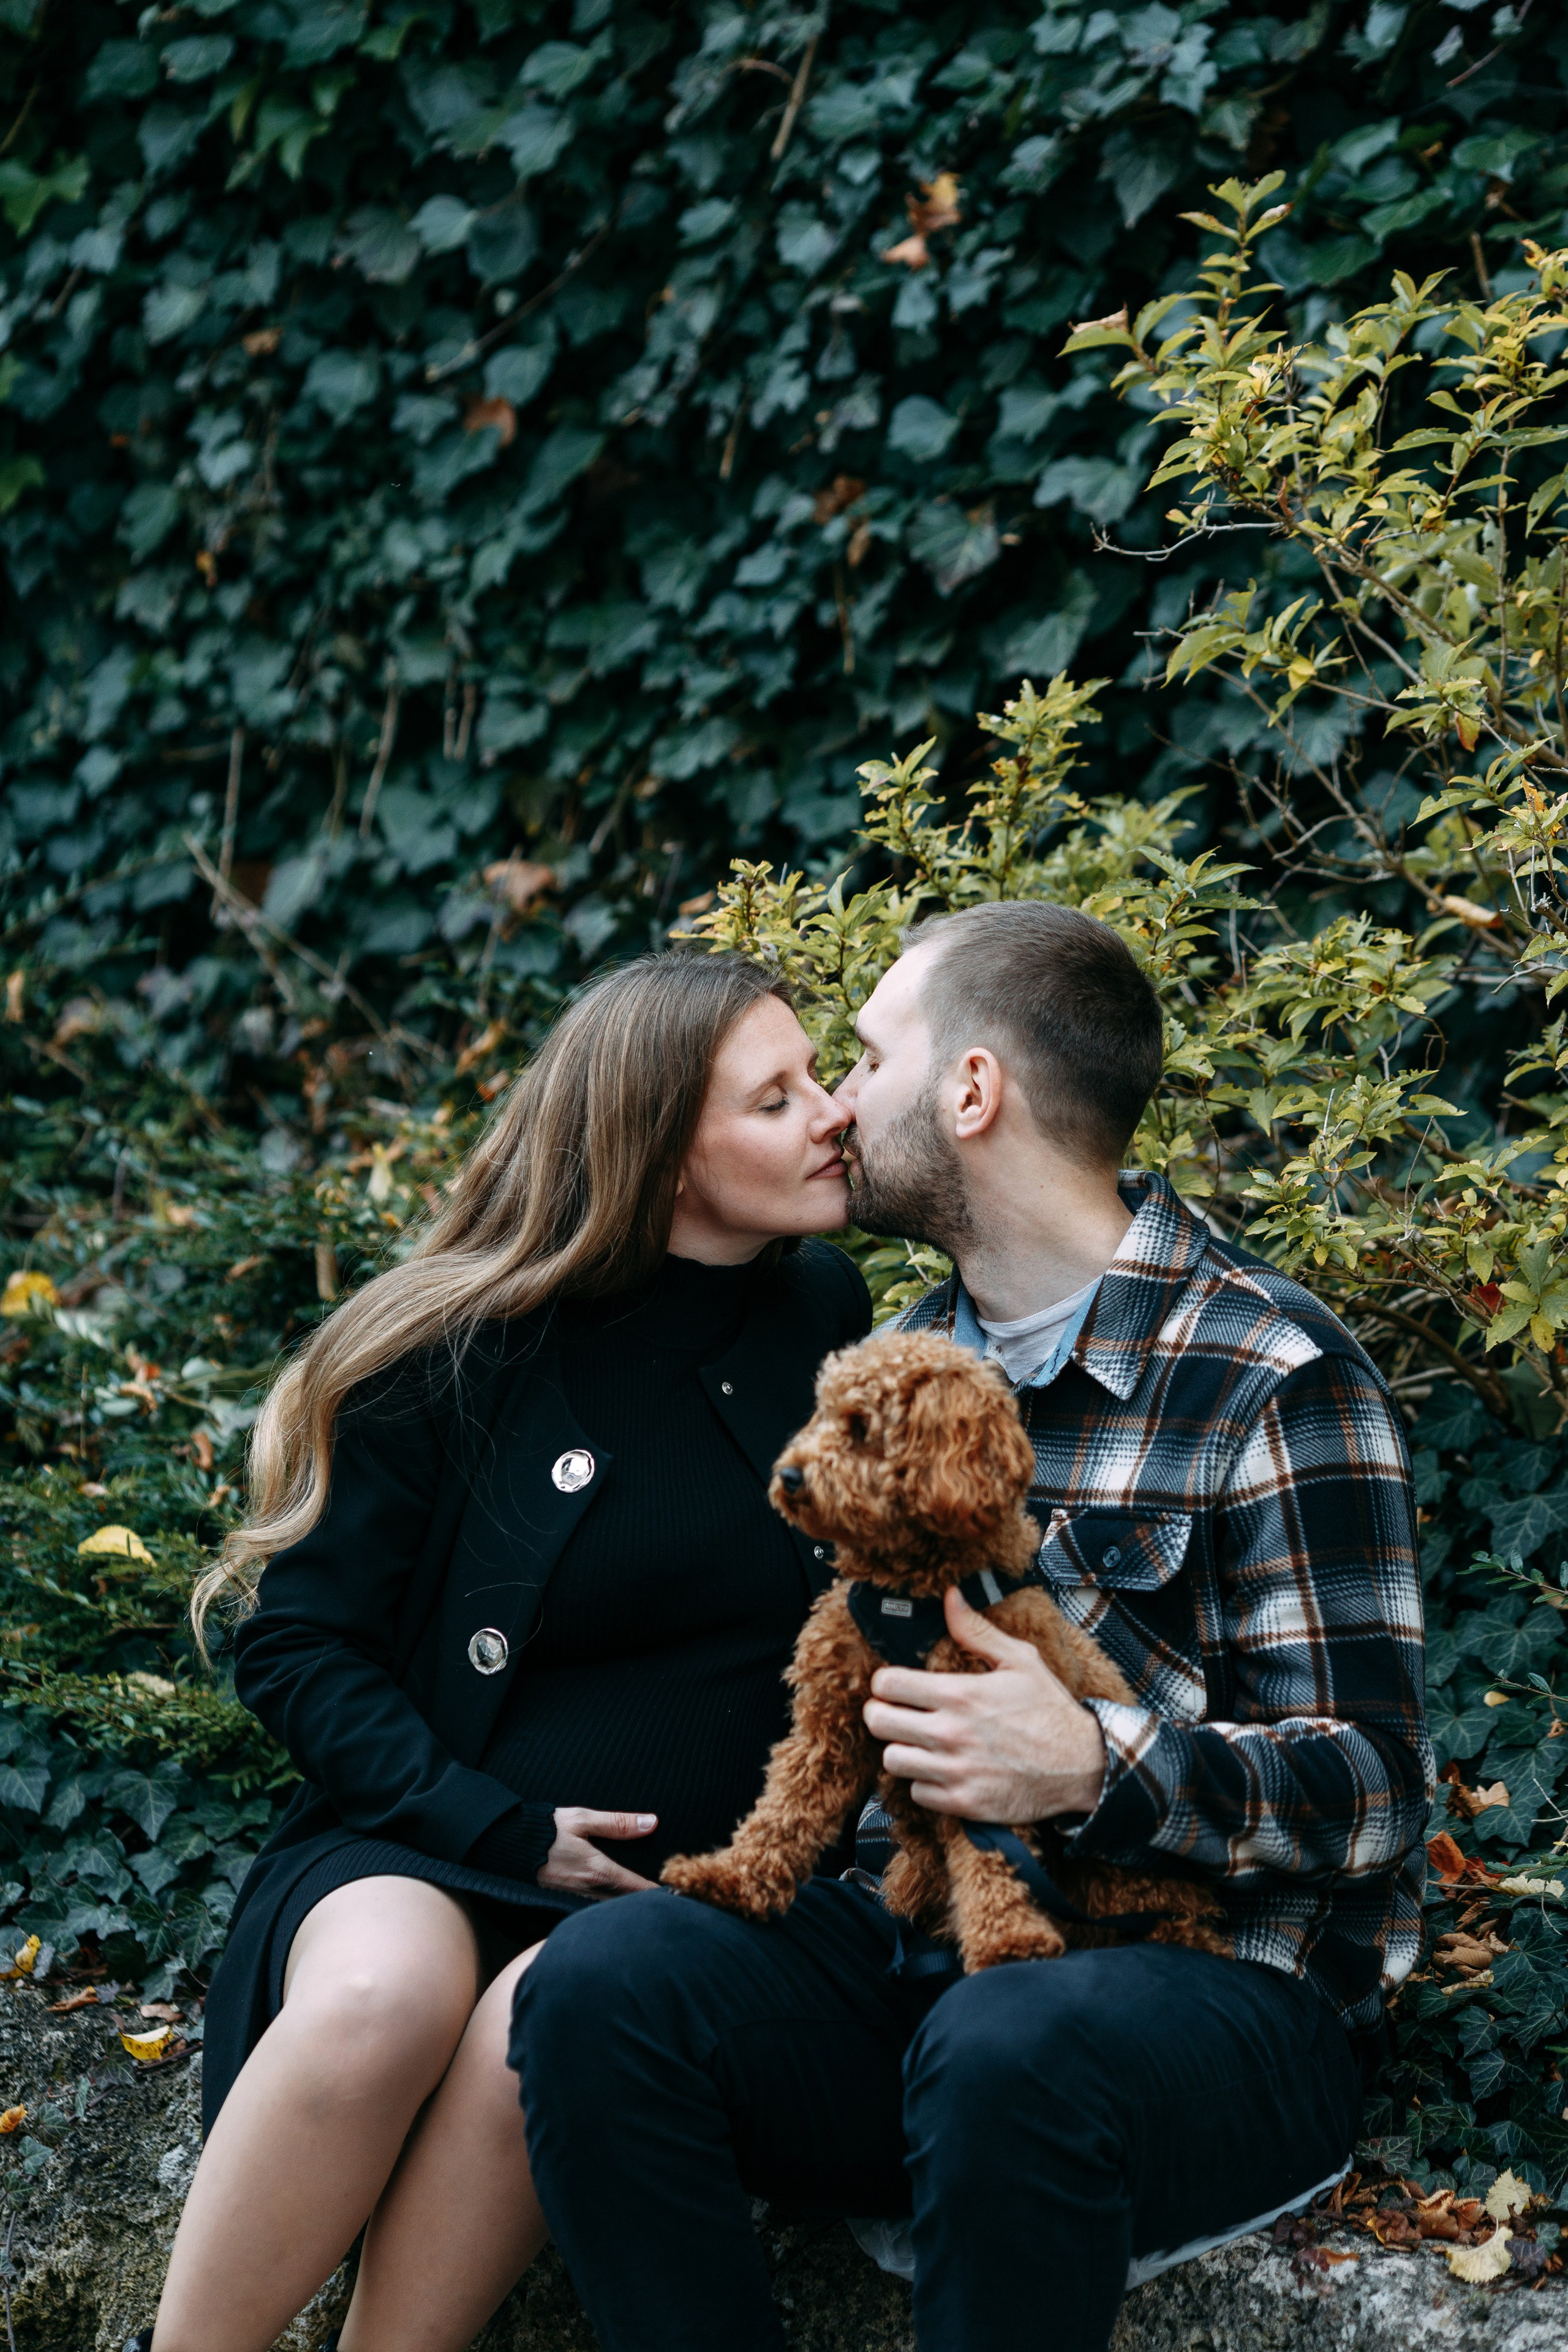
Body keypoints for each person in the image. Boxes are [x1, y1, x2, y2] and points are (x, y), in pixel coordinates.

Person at [511, 899, 1433, 2352]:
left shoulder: (1270, 1373)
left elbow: (1376, 1793)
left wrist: (1092, 1766)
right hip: (916, 1956)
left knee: (1006, 2048)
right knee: (598, 1989)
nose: (832, 1106)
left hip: (1211, 2002)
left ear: (970, 1092)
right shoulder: (895, 1364)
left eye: (862, 1059)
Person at [144, 951, 869, 2352]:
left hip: (639, 1923)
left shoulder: (821, 1312)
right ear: (660, 1156)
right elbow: (296, 1648)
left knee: (538, 2024)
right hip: (429, 1838)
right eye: (775, 1099)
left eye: (819, 1077)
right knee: (380, 2000)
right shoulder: (460, 1348)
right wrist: (495, 1824)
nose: (832, 1111)